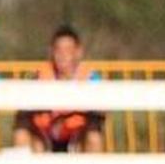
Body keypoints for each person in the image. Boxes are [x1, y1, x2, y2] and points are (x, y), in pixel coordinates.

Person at [13, 25, 105, 153]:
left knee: (94, 135)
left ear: (78, 52)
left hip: (77, 135)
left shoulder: (91, 77)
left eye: (68, 50)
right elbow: (20, 98)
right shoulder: (38, 74)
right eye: (58, 50)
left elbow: (104, 108)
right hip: (45, 135)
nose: (63, 55)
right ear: (52, 52)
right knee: (22, 129)